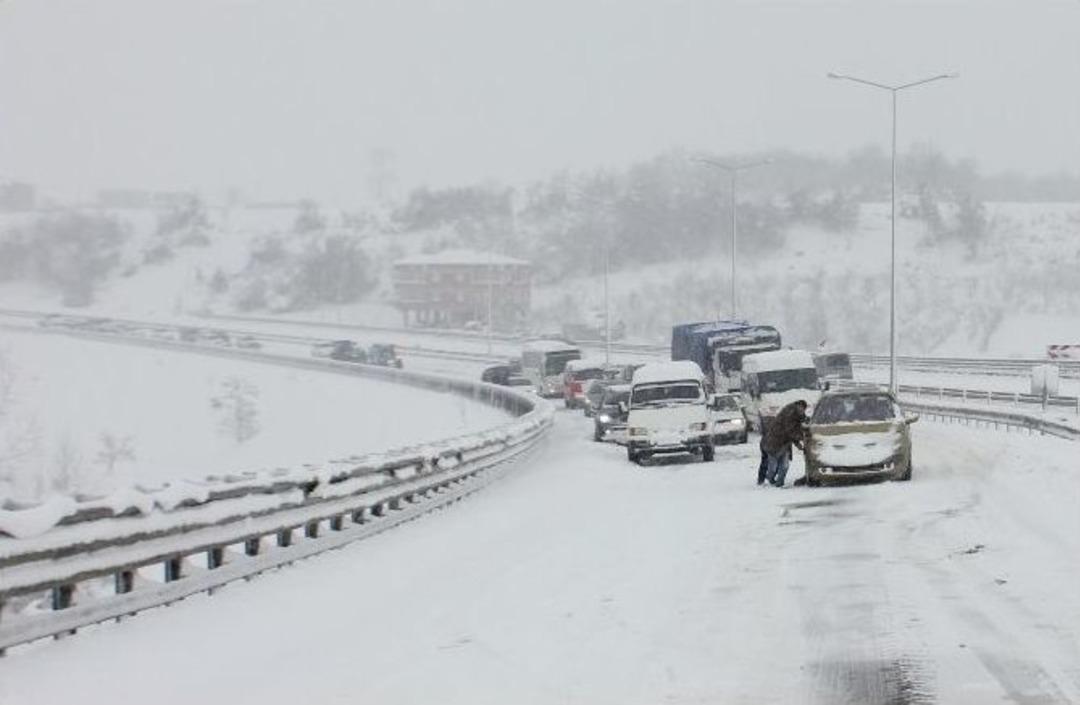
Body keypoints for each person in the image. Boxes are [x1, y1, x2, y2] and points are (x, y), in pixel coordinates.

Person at [762, 400, 809, 488]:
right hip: (774, 442)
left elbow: (792, 430)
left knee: (784, 466)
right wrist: (801, 438)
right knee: (773, 467)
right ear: (798, 406)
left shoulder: (797, 415)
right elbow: (791, 430)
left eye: (804, 410)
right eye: (801, 409)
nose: (802, 411)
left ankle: (779, 483)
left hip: (785, 443)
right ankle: (770, 478)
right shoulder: (789, 414)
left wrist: (798, 442)